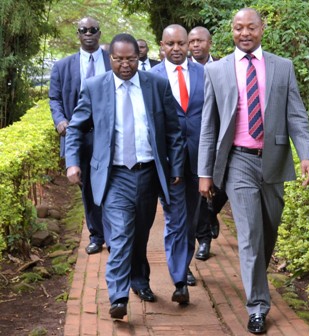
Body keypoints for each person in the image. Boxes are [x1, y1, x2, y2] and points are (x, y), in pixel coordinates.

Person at [198, 8, 309, 335]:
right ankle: (258, 307)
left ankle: (255, 279)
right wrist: (204, 173)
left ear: (262, 29)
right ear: (231, 32)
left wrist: (306, 154)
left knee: (269, 227)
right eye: (238, 28)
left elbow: (297, 117)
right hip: (237, 161)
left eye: (251, 27)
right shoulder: (217, 71)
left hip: (274, 160)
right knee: (249, 235)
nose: (244, 33)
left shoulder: (282, 67)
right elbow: (209, 128)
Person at [64, 33, 184, 319]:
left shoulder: (157, 85)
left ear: (138, 57)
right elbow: (76, 128)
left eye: (130, 58)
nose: (125, 64)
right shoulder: (95, 87)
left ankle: (139, 280)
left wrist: (176, 168)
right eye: (118, 59)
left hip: (148, 173)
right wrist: (72, 162)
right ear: (111, 59)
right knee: (119, 236)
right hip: (114, 174)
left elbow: (173, 131)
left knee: (140, 234)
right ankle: (118, 298)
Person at [149, 24, 205, 297]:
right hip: (169, 162)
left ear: (188, 44)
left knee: (191, 221)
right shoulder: (150, 77)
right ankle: (180, 280)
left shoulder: (205, 74)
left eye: (181, 43)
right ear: (162, 45)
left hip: (198, 160)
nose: (176, 49)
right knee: (174, 219)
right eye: (170, 44)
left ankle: (184, 265)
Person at [49, 17, 111, 255]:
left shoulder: (111, 60)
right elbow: (54, 98)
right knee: (86, 187)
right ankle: (96, 235)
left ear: (99, 33)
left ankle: (113, 233)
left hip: (107, 134)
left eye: (93, 29)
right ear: (78, 34)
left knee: (110, 183)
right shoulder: (63, 66)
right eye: (84, 30)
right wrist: (60, 120)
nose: (88, 33)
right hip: (78, 135)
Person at [188, 26, 228, 261]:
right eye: (191, 41)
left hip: (224, 138)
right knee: (200, 189)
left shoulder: (224, 67)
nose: (195, 45)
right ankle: (203, 240)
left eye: (199, 41)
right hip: (197, 139)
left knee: (223, 186)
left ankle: (213, 212)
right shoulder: (185, 70)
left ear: (209, 43)